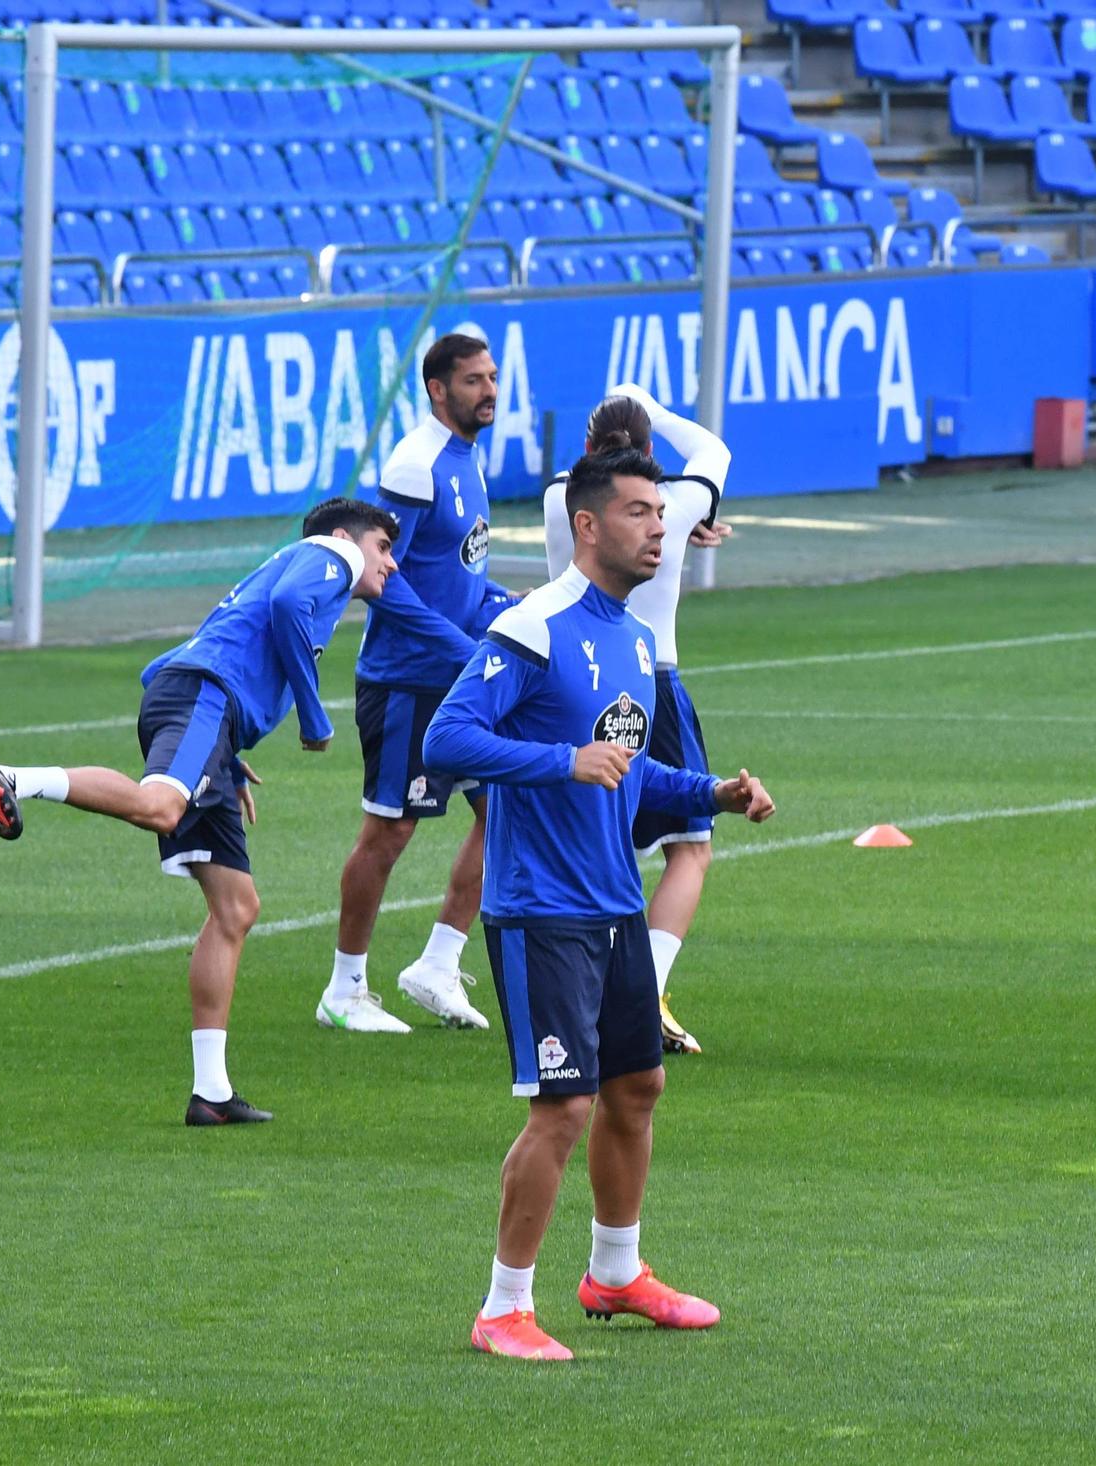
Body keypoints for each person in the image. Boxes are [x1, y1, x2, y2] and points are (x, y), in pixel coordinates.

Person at [425, 448, 775, 1362]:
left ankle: (614, 1275)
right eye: (639, 513)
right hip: (542, 911)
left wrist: (712, 793)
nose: (660, 527)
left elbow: (627, 765)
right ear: (587, 526)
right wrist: (557, 762)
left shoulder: (629, 639)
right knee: (563, 1108)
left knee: (638, 1087)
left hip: (614, 904)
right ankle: (502, 1307)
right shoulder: (535, 625)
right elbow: (448, 736)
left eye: (662, 513)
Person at [0, 499, 400, 1125]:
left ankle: (211, 1094)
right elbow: (281, 612)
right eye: (384, 545)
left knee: (237, 907)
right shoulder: (332, 555)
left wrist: (226, 754)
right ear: (346, 537)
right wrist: (313, 712)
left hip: (207, 712)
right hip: (202, 698)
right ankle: (15, 779)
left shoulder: (301, 565)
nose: (389, 562)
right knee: (161, 806)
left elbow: (245, 636)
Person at [322, 332, 517, 1037]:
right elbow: (378, 580)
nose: (489, 390)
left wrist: (508, 609)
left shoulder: (467, 457)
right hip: (408, 682)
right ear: (439, 389)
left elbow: (456, 571)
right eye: (474, 381)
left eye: (493, 377)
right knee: (391, 830)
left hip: (460, 676)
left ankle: (437, 964)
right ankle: (345, 985)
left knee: (508, 812)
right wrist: (460, 645)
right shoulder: (416, 464)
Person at [542, 385, 730, 1056]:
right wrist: (648, 403)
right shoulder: (673, 509)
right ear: (650, 455)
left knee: (592, 844)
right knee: (690, 849)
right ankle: (642, 996)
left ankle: (574, 991)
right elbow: (712, 451)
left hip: (567, 680)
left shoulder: (562, 499)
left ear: (588, 451)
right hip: (650, 679)